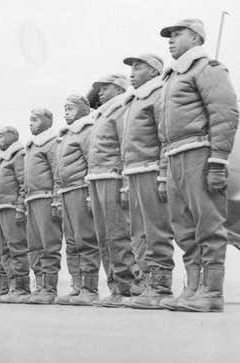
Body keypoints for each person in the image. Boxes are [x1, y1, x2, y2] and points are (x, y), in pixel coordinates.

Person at [157, 19, 238, 312]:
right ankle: (192, 289)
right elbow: (163, 131)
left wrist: (218, 161)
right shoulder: (171, 79)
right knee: (183, 228)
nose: (170, 39)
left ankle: (213, 292)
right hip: (175, 155)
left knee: (209, 224)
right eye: (169, 35)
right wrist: (164, 171)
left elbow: (225, 114)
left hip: (200, 153)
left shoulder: (208, 69)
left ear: (195, 38)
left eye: (176, 34)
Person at [119, 53, 175, 309]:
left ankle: (161, 285)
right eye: (131, 68)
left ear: (154, 71)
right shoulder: (134, 100)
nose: (132, 72)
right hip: (134, 171)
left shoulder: (158, 94)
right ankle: (146, 282)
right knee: (138, 233)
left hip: (151, 169)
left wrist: (163, 173)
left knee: (156, 230)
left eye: (138, 67)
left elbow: (165, 136)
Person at [86, 73, 136, 308]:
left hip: (112, 175)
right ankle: (114, 286)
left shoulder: (121, 109)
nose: (101, 93)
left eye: (106, 88)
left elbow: (126, 144)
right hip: (96, 176)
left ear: (118, 89)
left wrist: (124, 181)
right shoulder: (101, 114)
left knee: (117, 233)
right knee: (103, 236)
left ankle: (126, 287)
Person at [55, 95, 100, 305]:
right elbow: (58, 170)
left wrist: (91, 193)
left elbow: (92, 161)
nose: (66, 112)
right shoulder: (64, 136)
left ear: (83, 110)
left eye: (70, 108)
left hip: (80, 188)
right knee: (71, 242)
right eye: (64, 109)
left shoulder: (87, 131)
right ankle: (76, 285)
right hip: (66, 192)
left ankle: (90, 288)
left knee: (85, 239)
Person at [21, 108, 61, 304]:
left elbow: (57, 172)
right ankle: (40, 285)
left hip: (45, 197)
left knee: (49, 244)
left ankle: (50, 288)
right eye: (30, 119)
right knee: (34, 246)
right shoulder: (30, 147)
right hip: (31, 199)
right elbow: (25, 179)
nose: (31, 123)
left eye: (35, 119)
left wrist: (56, 199)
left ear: (47, 121)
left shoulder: (52, 142)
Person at [0, 126, 30, 303]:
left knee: (17, 247)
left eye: (2, 136)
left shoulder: (18, 155)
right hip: (1, 207)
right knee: (5, 250)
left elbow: (24, 183)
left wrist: (20, 207)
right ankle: (13, 284)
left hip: (12, 207)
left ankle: (22, 287)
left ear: (12, 137)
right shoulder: (3, 158)